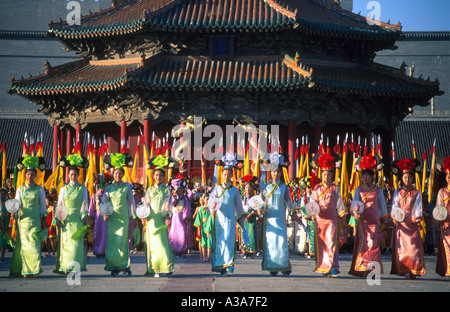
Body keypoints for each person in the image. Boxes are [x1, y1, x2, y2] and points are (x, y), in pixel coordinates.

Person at [349, 154, 389, 278]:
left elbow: (382, 206)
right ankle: (363, 268)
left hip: (375, 221)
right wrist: (354, 213)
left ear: (372, 176)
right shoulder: (358, 190)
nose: (365, 177)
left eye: (367, 175)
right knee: (365, 243)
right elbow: (354, 204)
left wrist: (385, 220)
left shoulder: (378, 190)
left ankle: (372, 268)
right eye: (363, 175)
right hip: (363, 221)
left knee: (374, 244)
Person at [310, 153, 347, 277]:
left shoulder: (335, 188)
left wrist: (342, 215)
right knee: (322, 244)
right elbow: (312, 203)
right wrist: (312, 212)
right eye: (325, 174)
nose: (327, 177)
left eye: (329, 174)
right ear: (321, 175)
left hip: (331, 219)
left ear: (332, 175)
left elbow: (339, 203)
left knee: (332, 242)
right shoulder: (317, 189)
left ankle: (333, 265)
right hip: (320, 219)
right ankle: (323, 265)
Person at [10, 155, 47, 278]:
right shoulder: (20, 190)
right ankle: (26, 270)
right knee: (25, 247)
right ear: (25, 175)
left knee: (35, 246)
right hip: (23, 222)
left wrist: (44, 219)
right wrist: (13, 213)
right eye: (28, 174)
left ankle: (35, 269)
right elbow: (16, 203)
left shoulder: (40, 190)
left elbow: (42, 206)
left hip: (35, 221)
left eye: (32, 174)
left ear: (36, 176)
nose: (30, 176)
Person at [260, 152, 297, 276]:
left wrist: (293, 212)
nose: (276, 174)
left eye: (278, 172)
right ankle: (273, 267)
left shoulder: (284, 187)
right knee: (271, 242)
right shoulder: (266, 187)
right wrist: (259, 209)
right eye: (274, 171)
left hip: (281, 218)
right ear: (271, 172)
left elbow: (289, 202)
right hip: (270, 219)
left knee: (281, 242)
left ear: (281, 173)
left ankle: (284, 266)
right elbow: (261, 202)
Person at [209, 152, 245, 276]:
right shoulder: (217, 189)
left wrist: (241, 220)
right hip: (219, 220)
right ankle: (220, 265)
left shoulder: (234, 190)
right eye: (224, 175)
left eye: (228, 175)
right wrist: (212, 210)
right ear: (221, 175)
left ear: (231, 176)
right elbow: (211, 201)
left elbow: (239, 206)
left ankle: (229, 265)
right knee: (220, 242)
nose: (226, 177)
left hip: (229, 220)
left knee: (229, 242)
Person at [54, 155, 90, 275]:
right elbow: (60, 203)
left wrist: (85, 217)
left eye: (75, 174)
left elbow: (84, 203)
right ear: (68, 175)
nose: (73, 176)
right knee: (67, 245)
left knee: (76, 245)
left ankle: (76, 267)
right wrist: (58, 218)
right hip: (66, 220)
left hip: (77, 220)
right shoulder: (63, 189)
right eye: (71, 174)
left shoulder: (82, 189)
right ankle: (66, 267)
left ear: (78, 175)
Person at [390, 158, 425, 279]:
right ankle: (405, 269)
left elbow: (418, 207)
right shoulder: (398, 192)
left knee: (414, 248)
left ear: (412, 179)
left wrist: (417, 220)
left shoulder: (416, 193)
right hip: (401, 224)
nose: (407, 179)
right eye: (405, 177)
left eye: (409, 177)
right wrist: (395, 216)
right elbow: (395, 205)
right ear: (401, 178)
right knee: (403, 248)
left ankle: (414, 269)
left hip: (412, 223)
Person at [102, 153, 137, 277]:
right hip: (112, 218)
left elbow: (131, 201)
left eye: (120, 173)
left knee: (122, 240)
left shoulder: (127, 187)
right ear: (113, 174)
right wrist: (105, 212)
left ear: (123, 174)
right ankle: (113, 265)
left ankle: (123, 264)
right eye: (116, 173)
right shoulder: (109, 188)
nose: (118, 175)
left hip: (123, 218)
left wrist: (133, 215)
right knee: (113, 240)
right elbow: (105, 201)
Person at [142, 155, 175, 277]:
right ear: (153, 176)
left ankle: (165, 267)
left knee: (162, 243)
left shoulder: (166, 190)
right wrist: (144, 215)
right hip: (151, 221)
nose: (158, 177)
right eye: (156, 175)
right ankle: (153, 268)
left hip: (161, 220)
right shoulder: (149, 190)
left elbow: (168, 204)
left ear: (164, 177)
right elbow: (145, 203)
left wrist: (167, 217)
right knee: (151, 244)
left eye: (160, 175)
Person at [168, 174, 191, 258]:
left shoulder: (185, 199)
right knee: (173, 234)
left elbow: (186, 208)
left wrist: (186, 217)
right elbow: (172, 205)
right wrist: (175, 197)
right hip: (174, 219)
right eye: (176, 190)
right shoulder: (173, 198)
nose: (178, 191)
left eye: (180, 190)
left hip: (181, 219)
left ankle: (182, 251)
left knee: (182, 235)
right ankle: (174, 251)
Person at [435, 156, 450, 277]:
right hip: (445, 224)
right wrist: (439, 218)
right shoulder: (442, 192)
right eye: (448, 176)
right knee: (448, 247)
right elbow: (439, 207)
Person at [239, 175, 260, 259]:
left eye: (249, 187)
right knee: (244, 235)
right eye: (246, 187)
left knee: (252, 235)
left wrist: (251, 215)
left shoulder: (255, 198)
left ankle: (252, 252)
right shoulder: (242, 198)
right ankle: (245, 252)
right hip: (244, 218)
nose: (248, 189)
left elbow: (258, 211)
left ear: (252, 189)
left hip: (251, 218)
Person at [193, 192, 212, 261]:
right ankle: (203, 256)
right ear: (204, 200)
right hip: (203, 226)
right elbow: (198, 219)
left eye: (209, 199)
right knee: (203, 242)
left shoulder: (211, 209)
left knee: (209, 241)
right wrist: (198, 229)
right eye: (206, 199)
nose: (207, 201)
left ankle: (208, 256)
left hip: (210, 226)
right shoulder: (201, 209)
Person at [44, 189, 57, 257]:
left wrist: (52, 225)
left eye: (46, 201)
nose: (45, 202)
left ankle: (53, 252)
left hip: (51, 225)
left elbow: (53, 216)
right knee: (46, 239)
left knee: (52, 239)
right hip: (46, 225)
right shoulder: (45, 208)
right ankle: (49, 252)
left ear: (49, 201)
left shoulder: (52, 207)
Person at [1, 188, 10, 263]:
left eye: (5, 194)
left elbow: (10, 212)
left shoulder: (8, 203)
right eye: (2, 194)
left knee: (3, 240)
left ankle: (2, 257)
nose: (3, 196)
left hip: (6, 223)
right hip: (0, 223)